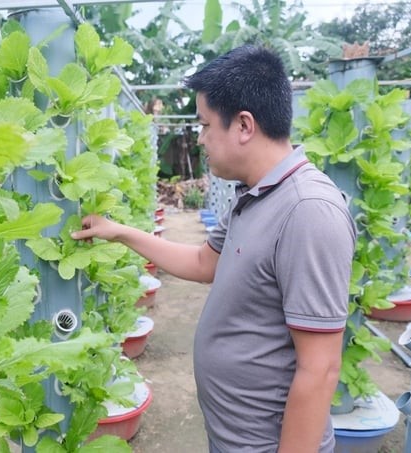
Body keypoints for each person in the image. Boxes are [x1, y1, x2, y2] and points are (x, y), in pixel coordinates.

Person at [71, 45, 356, 452]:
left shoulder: (308, 211)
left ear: (243, 125)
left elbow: (321, 368)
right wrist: (119, 232)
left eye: (205, 125)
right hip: (233, 436)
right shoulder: (255, 195)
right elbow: (205, 262)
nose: (200, 138)